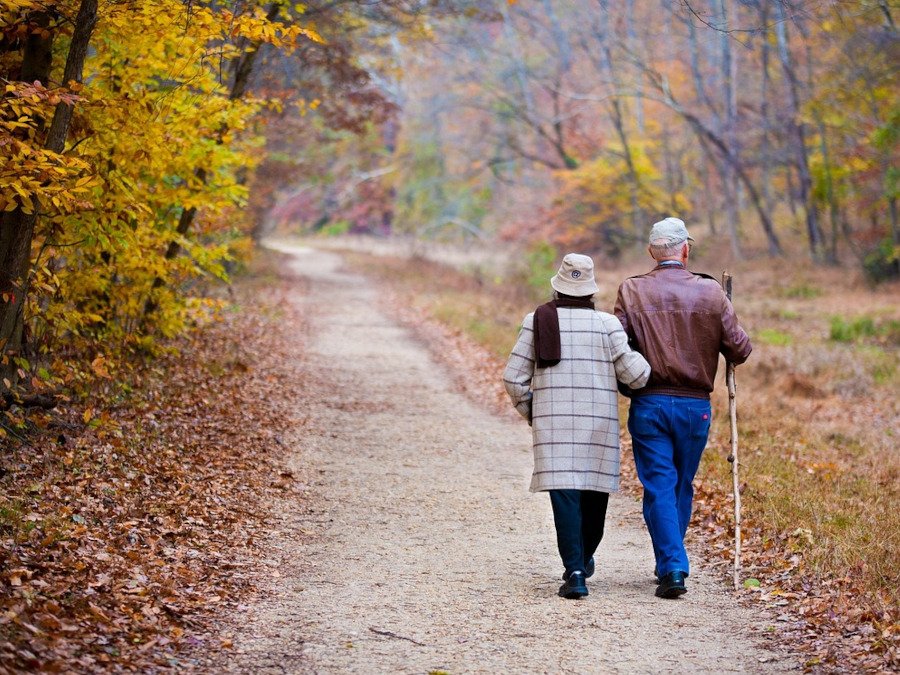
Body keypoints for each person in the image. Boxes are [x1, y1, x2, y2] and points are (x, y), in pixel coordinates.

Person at [614, 217, 752, 599]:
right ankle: (672, 563)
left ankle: (671, 564)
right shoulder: (710, 292)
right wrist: (723, 313)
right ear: (686, 250)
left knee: (659, 484)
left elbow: (616, 345)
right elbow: (740, 349)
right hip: (695, 407)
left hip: (649, 401)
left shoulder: (631, 290)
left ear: (651, 252)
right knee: (679, 484)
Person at [504, 253, 650, 599]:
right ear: (591, 292)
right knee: (593, 497)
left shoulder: (536, 321)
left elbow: (513, 378)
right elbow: (638, 376)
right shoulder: (607, 325)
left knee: (565, 496)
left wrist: (534, 412)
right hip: (597, 425)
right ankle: (582, 560)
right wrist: (642, 353)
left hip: (553, 428)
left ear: (557, 287)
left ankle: (575, 571)